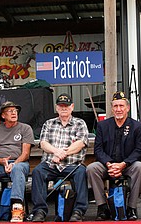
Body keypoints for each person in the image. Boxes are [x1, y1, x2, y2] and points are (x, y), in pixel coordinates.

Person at [87, 91, 141, 221]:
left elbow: (140, 150)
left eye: (121, 106)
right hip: (107, 165)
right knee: (91, 168)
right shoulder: (103, 125)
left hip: (128, 165)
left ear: (127, 108)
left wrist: (123, 164)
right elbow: (98, 149)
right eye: (115, 106)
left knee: (140, 167)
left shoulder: (137, 126)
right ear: (112, 108)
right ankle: (102, 207)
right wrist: (109, 164)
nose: (118, 109)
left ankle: (131, 208)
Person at [31, 93, 89, 222]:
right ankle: (39, 211)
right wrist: (56, 152)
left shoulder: (80, 123)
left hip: (72, 164)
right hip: (51, 164)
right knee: (38, 172)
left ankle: (79, 211)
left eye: (66, 106)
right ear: (56, 108)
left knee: (81, 173)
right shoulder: (48, 123)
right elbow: (43, 143)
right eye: (61, 106)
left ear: (72, 107)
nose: (64, 108)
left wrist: (63, 154)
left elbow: (80, 143)